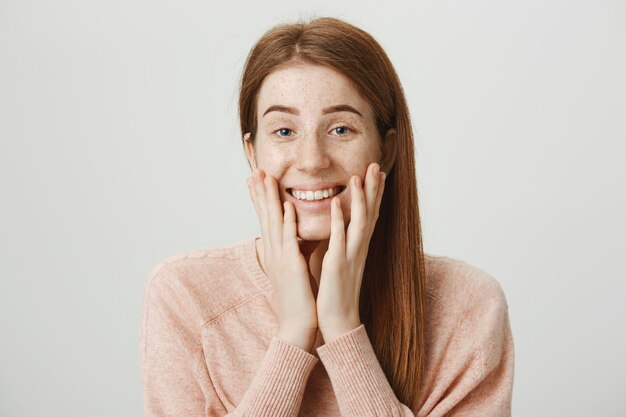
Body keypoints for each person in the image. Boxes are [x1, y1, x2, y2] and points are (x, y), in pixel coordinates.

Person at [139, 16, 514, 417]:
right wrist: (293, 335)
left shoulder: (468, 307)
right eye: (284, 131)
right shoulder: (185, 295)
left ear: (385, 151)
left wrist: (341, 329)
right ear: (253, 153)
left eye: (340, 129)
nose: (312, 161)